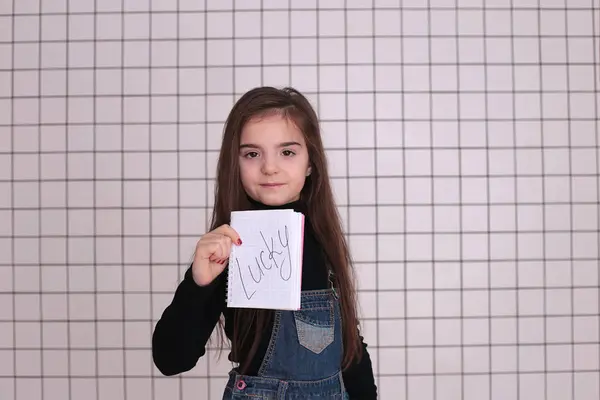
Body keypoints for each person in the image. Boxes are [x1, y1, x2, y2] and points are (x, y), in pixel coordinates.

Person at [151, 86, 378, 399]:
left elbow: (349, 349)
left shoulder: (323, 239)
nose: (269, 167)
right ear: (236, 162)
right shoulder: (229, 246)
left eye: (287, 152)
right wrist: (197, 283)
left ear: (310, 162)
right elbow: (170, 359)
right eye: (252, 153)